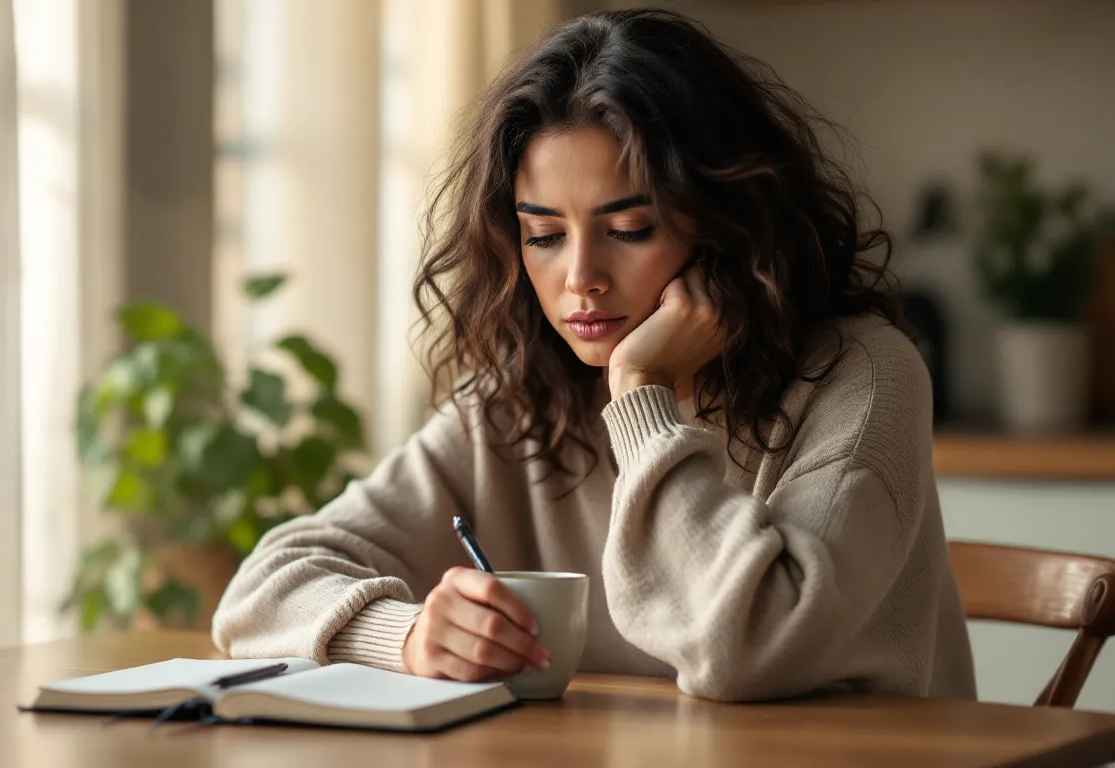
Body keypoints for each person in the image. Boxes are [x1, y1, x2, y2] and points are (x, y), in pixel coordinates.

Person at [212, 8, 976, 703]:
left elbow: (751, 647)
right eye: (544, 236)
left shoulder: (862, 376)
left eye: (630, 228)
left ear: (726, 224)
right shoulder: (515, 402)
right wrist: (407, 636)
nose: (579, 278)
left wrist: (639, 390)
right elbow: (261, 591)